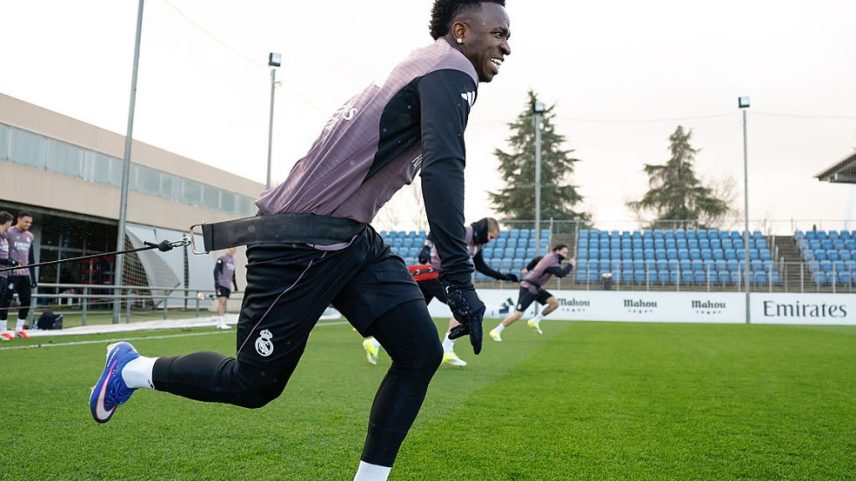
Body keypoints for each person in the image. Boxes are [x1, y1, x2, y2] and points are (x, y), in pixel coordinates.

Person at [89, 2, 511, 480]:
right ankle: (130, 368)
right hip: (300, 241)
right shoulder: (450, 67)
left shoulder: (423, 64)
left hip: (347, 238)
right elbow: (442, 167)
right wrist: (458, 275)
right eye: (498, 33)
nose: (506, 45)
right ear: (461, 31)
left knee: (419, 353)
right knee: (252, 384)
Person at [363, 218, 516, 367]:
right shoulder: (463, 232)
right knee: (463, 306)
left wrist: (503, 276)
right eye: (490, 237)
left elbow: (481, 266)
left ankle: (374, 342)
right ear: (484, 230)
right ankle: (447, 350)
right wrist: (427, 247)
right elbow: (438, 230)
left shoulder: (478, 244)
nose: (490, 241)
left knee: (413, 313)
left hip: (440, 278)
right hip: (434, 275)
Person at [489, 243, 572, 341]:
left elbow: (536, 259)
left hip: (535, 288)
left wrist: (528, 268)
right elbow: (561, 274)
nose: (565, 255)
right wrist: (571, 265)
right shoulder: (552, 261)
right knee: (518, 314)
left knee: (554, 303)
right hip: (528, 287)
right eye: (564, 253)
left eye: (566, 253)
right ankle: (496, 331)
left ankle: (534, 320)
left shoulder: (548, 257)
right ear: (557, 251)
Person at [0, 212, 35, 340]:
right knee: (6, 301)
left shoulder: (30, 236)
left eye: (30, 223)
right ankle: (2, 329)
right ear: (18, 220)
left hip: (25, 274)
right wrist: (11, 263)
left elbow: (31, 258)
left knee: (26, 301)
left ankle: (19, 330)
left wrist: (33, 277)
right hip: (10, 273)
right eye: (26, 221)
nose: (28, 224)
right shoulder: (7, 232)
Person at [0, 211, 18, 342]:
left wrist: (11, 262)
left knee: (2, 303)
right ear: (7, 222)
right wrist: (9, 262)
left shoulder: (4, 237)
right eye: (10, 223)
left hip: (4, 275)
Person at [213, 247, 238, 330]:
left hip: (228, 285)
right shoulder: (222, 258)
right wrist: (217, 284)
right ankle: (222, 322)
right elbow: (216, 271)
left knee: (223, 303)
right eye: (232, 248)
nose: (233, 249)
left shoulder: (232, 261)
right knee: (222, 302)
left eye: (234, 248)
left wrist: (236, 287)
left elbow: (233, 275)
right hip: (221, 284)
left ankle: (219, 322)